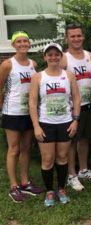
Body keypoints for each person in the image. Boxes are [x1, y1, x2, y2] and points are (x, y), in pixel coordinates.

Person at [29, 43, 80, 207]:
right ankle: (50, 191)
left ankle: (62, 188)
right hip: (46, 124)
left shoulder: (69, 75)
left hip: (65, 123)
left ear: (61, 56)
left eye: (56, 54)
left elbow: (77, 98)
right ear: (45, 57)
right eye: (50, 54)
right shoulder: (38, 77)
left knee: (63, 157)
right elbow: (32, 102)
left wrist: (75, 120)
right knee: (48, 159)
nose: (53, 57)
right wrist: (36, 126)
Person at [0, 31, 43, 203]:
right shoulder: (7, 64)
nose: (23, 44)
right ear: (14, 45)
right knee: (14, 149)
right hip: (12, 111)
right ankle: (14, 186)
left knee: (26, 148)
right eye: (19, 41)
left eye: (25, 41)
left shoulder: (33, 64)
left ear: (29, 44)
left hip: (29, 112)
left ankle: (25, 182)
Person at [61, 24, 91, 192]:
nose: (76, 39)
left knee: (84, 139)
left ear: (83, 37)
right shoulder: (63, 58)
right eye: (72, 36)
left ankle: (83, 170)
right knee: (71, 142)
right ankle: (71, 175)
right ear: (66, 38)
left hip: (88, 105)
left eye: (79, 35)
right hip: (70, 108)